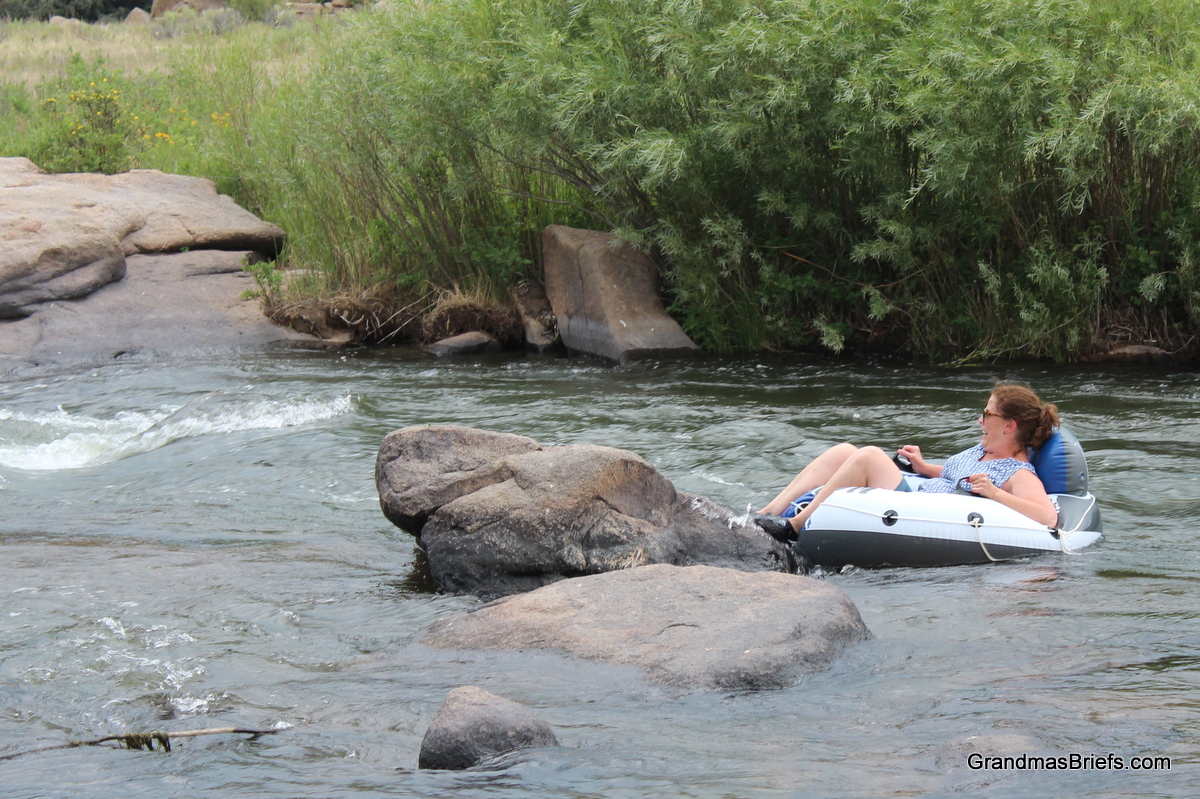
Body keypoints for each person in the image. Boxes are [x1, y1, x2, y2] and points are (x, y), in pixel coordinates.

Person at [755, 383, 1061, 542]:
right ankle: (768, 512)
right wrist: (925, 467)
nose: (980, 419)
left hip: (922, 511)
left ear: (1010, 426)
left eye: (988, 415)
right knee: (844, 450)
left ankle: (794, 527)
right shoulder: (986, 450)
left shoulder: (1018, 473)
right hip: (922, 491)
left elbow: (1048, 517)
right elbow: (960, 476)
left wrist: (996, 494)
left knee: (869, 456)